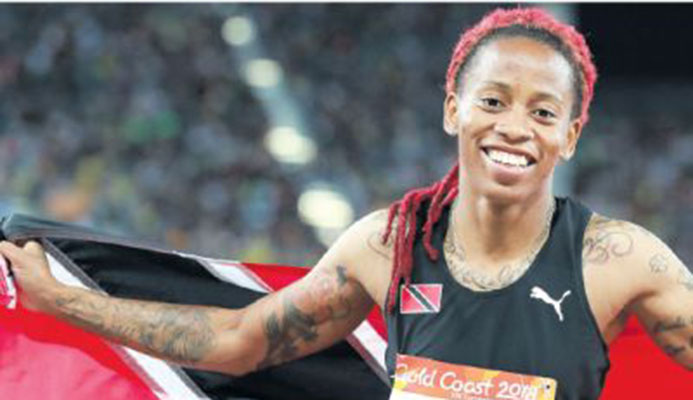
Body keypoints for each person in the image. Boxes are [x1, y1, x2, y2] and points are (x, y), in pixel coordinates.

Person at [1, 7, 691, 399]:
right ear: (453, 111)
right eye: (492, 101)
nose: (514, 127)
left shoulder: (618, 259)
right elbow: (239, 344)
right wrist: (64, 301)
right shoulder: (388, 244)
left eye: (543, 112)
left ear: (569, 135)